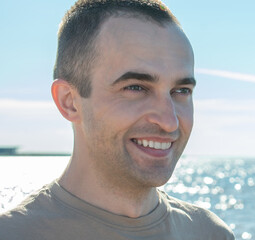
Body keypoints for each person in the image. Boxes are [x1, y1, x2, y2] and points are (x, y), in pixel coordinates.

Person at [0, 0, 235, 239]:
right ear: (69, 101)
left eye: (181, 90)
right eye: (136, 87)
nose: (169, 121)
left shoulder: (209, 233)